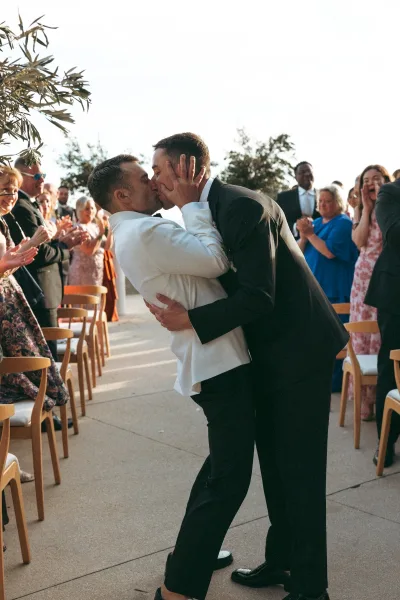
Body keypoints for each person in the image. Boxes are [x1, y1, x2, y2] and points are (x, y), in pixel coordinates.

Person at [148, 133, 348, 600]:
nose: (154, 179)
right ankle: (281, 562)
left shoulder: (241, 206)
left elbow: (260, 296)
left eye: (157, 169)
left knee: (299, 473)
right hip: (267, 359)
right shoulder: (208, 212)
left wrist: (190, 320)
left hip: (298, 356)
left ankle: (311, 587)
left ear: (183, 166)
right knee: (276, 469)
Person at [88, 154, 254, 600]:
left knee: (218, 470)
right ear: (121, 195)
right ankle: (180, 586)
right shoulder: (145, 229)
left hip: (211, 356)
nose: (155, 182)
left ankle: (190, 556)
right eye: (145, 178)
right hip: (217, 360)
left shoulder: (131, 230)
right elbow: (216, 260)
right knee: (228, 480)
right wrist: (193, 206)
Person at [0, 166, 69, 425]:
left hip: (10, 301)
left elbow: (10, 263)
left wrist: (29, 246)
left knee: (35, 360)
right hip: (4, 307)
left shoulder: (2, 220)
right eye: (6, 190)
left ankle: (45, 415)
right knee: (23, 366)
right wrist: (34, 243)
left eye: (14, 190)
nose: (12, 196)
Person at [3, 158, 87, 360]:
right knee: (45, 360)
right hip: (29, 295)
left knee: (46, 360)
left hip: (35, 293)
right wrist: (64, 246)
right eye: (37, 176)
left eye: (13, 190)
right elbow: (40, 255)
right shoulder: (21, 208)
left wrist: (52, 239)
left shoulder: (19, 209)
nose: (12, 196)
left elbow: (21, 255)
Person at [297, 185, 358, 391]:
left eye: (328, 201)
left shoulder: (342, 223)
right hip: (315, 288)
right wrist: (304, 236)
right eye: (320, 201)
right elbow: (298, 251)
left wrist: (310, 235)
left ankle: (336, 383)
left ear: (337, 203)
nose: (322, 205)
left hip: (334, 289)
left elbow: (330, 252)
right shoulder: (315, 223)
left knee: (335, 335)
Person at [350, 165, 392, 420]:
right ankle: (365, 400)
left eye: (377, 179)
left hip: (387, 276)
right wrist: (365, 208)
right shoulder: (361, 208)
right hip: (363, 278)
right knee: (363, 334)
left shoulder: (393, 206)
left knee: (381, 333)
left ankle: (382, 396)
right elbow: (359, 241)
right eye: (367, 180)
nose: (372, 184)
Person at [365, 177, 400, 467]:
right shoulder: (390, 192)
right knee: (392, 364)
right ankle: (385, 443)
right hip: (396, 294)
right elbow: (395, 234)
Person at [68, 197, 112, 286]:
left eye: (92, 208)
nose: (90, 211)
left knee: (96, 299)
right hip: (82, 272)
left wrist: (110, 230)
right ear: (80, 210)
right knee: (84, 299)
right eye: (87, 209)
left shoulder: (95, 227)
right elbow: (88, 251)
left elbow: (107, 247)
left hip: (97, 271)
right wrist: (101, 234)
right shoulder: (79, 228)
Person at [276, 162, 320, 238]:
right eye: (302, 172)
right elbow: (277, 221)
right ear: (296, 177)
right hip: (292, 242)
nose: (307, 174)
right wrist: (296, 226)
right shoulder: (284, 197)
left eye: (309, 171)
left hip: (320, 241)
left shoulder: (323, 195)